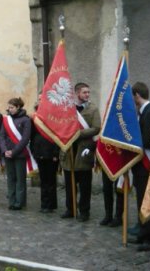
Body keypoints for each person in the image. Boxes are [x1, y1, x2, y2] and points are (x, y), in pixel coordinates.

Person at [59, 82, 101, 221]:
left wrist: (79, 133)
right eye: (84, 92)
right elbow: (61, 125)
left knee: (85, 186)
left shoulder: (93, 109)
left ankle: (84, 211)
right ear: (77, 93)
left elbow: (96, 128)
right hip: (69, 149)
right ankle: (70, 209)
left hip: (84, 151)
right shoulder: (68, 109)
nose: (87, 95)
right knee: (70, 184)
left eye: (88, 92)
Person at [128, 82, 150, 251]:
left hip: (147, 164)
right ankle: (142, 232)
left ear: (137, 95)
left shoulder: (148, 112)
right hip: (140, 165)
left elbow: (147, 140)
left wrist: (130, 142)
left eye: (132, 96)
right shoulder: (142, 112)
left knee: (148, 202)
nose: (132, 100)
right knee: (141, 200)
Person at [0, 97, 31, 210]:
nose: (9, 109)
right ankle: (11, 202)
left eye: (12, 107)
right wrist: (4, 150)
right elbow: (1, 136)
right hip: (7, 154)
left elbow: (25, 139)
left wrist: (14, 151)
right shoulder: (7, 120)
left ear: (18, 107)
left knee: (20, 179)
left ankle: (19, 202)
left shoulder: (26, 120)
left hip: (20, 154)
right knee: (10, 178)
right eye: (9, 107)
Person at [30, 94, 59, 213]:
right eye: (39, 98)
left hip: (51, 152)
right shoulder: (34, 117)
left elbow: (57, 135)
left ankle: (51, 204)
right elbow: (31, 136)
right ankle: (44, 204)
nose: (40, 100)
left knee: (51, 180)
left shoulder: (53, 116)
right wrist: (34, 151)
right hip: (39, 151)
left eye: (43, 98)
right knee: (43, 180)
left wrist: (56, 153)